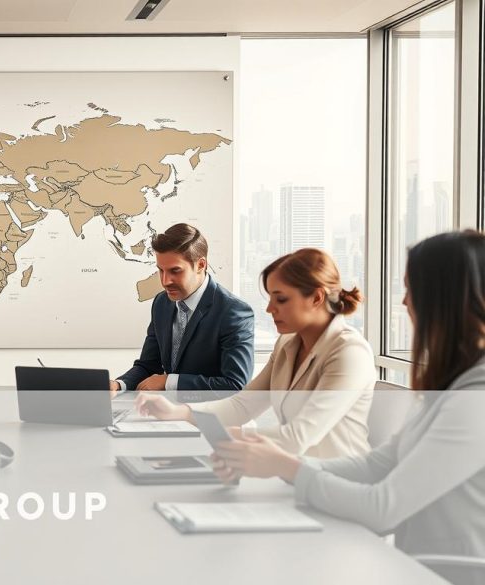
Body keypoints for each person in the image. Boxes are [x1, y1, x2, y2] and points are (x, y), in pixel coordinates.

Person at [209, 231, 485, 585]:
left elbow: (382, 508)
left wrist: (287, 467)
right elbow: (378, 464)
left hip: (442, 574)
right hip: (412, 564)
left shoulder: (474, 398)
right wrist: (274, 463)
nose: (404, 303)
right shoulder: (451, 383)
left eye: (411, 289)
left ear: (441, 299)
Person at [137, 248, 375, 458]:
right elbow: (242, 406)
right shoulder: (288, 344)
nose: (270, 309)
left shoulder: (349, 353)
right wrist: (178, 412)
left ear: (316, 297)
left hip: (339, 487)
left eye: (280, 299)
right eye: (270, 297)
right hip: (292, 477)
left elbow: (296, 438)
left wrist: (223, 436)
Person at [112, 223, 254, 403]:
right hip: (165, 415)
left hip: (210, 420)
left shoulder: (234, 312)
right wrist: (118, 385)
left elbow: (235, 385)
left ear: (201, 265)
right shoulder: (161, 303)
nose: (165, 281)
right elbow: (148, 366)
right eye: (161, 270)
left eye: (175, 271)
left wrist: (169, 381)